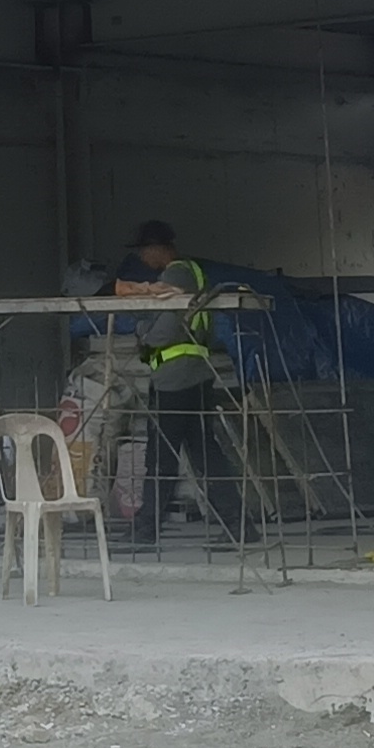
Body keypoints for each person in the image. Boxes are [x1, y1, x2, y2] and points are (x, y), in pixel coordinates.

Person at [110, 222, 244, 543]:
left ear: (159, 247)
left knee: (161, 456)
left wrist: (144, 334)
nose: (143, 257)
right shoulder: (194, 273)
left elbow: (167, 327)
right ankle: (239, 526)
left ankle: (145, 530)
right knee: (204, 455)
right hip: (194, 374)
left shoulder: (175, 275)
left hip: (175, 379)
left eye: (144, 250)